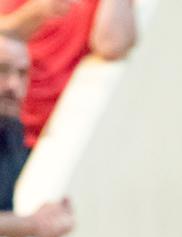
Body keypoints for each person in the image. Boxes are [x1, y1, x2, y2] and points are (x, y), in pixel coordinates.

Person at [0, 0, 136, 147]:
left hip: (66, 125)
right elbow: (5, 32)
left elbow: (112, 45)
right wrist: (35, 13)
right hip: (15, 120)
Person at [0, 31, 72, 237]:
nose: (13, 85)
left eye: (22, 74)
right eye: (2, 71)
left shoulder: (12, 132)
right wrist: (31, 225)